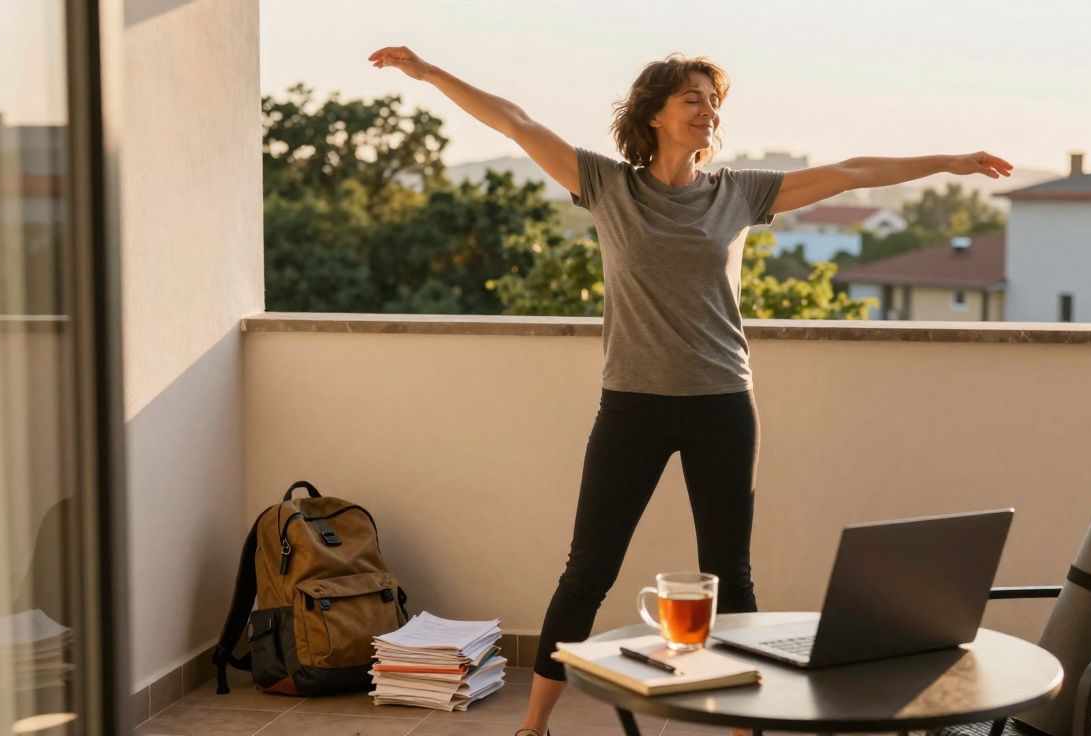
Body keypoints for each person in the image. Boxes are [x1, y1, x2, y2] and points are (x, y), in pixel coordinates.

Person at [367, 46, 1013, 736]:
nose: (710, 113)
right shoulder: (608, 187)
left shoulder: (739, 193)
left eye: (714, 101)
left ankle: (745, 728)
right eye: (694, 100)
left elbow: (852, 173)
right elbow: (516, 123)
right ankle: (534, 727)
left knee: (730, 576)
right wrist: (429, 73)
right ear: (654, 114)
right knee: (586, 572)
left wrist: (949, 161)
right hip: (632, 406)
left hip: (723, 405)